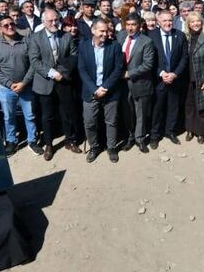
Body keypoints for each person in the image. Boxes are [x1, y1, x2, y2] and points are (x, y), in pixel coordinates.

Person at [28, 7, 80, 159]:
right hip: (45, 82)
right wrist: (52, 73)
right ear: (43, 22)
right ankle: (49, 144)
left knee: (67, 113)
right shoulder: (35, 38)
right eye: (50, 20)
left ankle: (70, 140)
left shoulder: (66, 36)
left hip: (63, 81)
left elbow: (73, 55)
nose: (53, 23)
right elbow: (35, 61)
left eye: (56, 20)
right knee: (47, 115)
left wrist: (62, 73)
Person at [0, 14, 39, 156]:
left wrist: (24, 82)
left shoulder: (26, 41)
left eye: (12, 24)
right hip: (6, 89)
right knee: (8, 116)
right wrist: (10, 84)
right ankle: (12, 141)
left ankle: (32, 140)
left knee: (30, 116)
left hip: (26, 86)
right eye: (6, 25)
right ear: (0, 28)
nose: (10, 27)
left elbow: (33, 64)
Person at [77, 18, 124, 163]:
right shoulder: (84, 46)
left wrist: (105, 87)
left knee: (111, 122)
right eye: (101, 31)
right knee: (89, 122)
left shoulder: (114, 46)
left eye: (106, 31)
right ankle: (94, 147)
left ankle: (111, 147)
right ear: (93, 30)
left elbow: (118, 69)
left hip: (110, 92)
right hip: (90, 92)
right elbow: (82, 69)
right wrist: (94, 89)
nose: (105, 34)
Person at [149, 10, 188, 149]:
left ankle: (170, 131)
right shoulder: (150, 36)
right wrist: (161, 73)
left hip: (175, 79)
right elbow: (149, 59)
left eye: (170, 20)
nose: (168, 23)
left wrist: (175, 74)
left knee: (173, 107)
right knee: (157, 108)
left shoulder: (180, 35)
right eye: (164, 21)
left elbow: (184, 58)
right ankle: (154, 135)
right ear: (158, 22)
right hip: (159, 80)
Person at [116, 14, 155, 153]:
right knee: (128, 113)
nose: (130, 28)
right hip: (122, 85)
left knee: (141, 113)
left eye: (133, 25)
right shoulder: (120, 37)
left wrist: (129, 73)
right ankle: (130, 137)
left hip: (140, 83)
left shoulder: (146, 41)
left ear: (139, 25)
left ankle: (140, 139)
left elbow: (148, 64)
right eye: (128, 25)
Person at [183, 11, 204, 144]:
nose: (195, 24)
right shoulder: (185, 37)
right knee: (189, 105)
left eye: (198, 21)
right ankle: (190, 129)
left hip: (201, 77)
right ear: (188, 24)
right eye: (192, 22)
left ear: (202, 22)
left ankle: (201, 132)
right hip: (187, 77)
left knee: (201, 106)